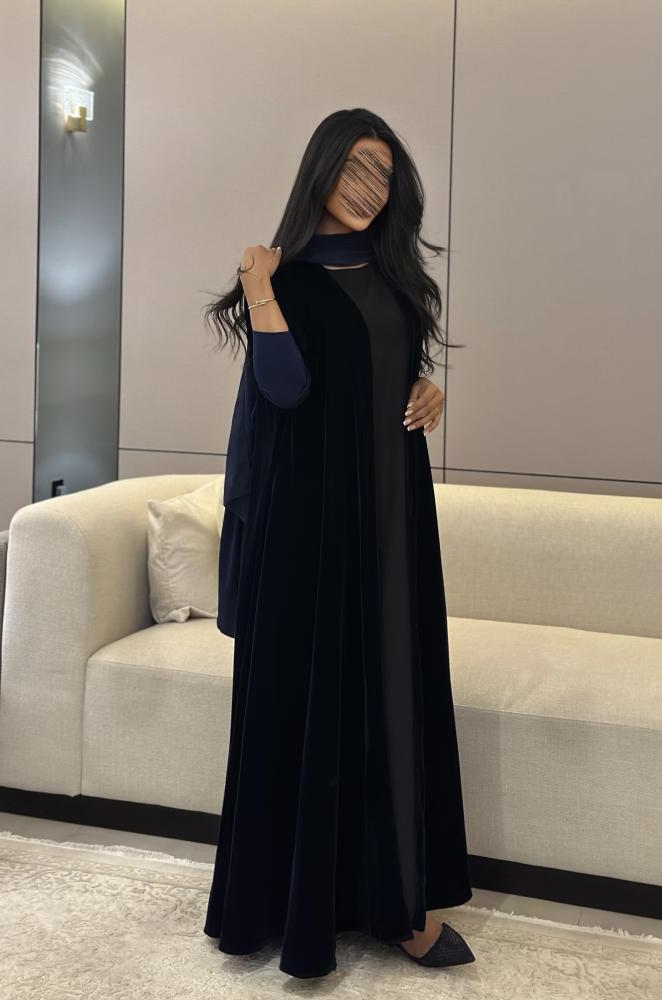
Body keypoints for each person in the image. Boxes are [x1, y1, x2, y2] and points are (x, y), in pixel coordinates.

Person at [202, 107, 475, 979]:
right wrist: (260, 285)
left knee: (393, 695)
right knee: (307, 710)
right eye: (356, 167)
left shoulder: (396, 278)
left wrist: (427, 389)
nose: (369, 187)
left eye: (384, 175)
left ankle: (398, 904)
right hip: (308, 535)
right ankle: (294, 906)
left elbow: (383, 372)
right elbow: (285, 389)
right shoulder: (284, 279)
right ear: (320, 169)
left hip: (391, 523)